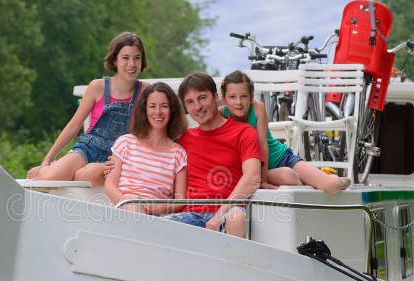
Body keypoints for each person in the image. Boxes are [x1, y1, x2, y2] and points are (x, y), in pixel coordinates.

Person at [26, 31, 149, 185]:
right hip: (88, 147)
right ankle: (48, 169)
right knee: (49, 178)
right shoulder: (97, 86)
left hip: (115, 157)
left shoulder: (146, 92)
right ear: (115, 60)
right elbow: (74, 125)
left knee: (85, 178)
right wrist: (48, 158)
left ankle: (75, 170)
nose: (131, 64)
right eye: (125, 58)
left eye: (137, 58)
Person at [220, 70, 351, 193]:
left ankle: (333, 180)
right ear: (224, 99)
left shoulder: (257, 108)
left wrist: (264, 180)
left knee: (331, 187)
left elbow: (262, 145)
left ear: (251, 97)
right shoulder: (222, 114)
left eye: (243, 96)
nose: (238, 102)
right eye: (232, 97)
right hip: (259, 170)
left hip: (282, 158)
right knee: (289, 178)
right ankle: (313, 182)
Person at [170, 72, 263, 238]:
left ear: (216, 97)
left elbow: (253, 178)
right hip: (191, 215)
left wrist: (219, 215)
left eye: (202, 98)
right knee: (159, 230)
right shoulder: (184, 139)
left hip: (229, 212)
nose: (197, 106)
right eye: (190, 102)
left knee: (235, 217)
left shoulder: (244, 132)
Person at [105, 82, 188, 214]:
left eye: (164, 106)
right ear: (144, 110)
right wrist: (128, 203)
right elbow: (109, 186)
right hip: (122, 211)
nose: (158, 112)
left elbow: (179, 200)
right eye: (152, 106)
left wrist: (154, 209)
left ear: (172, 111)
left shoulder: (178, 154)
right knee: (133, 208)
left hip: (155, 218)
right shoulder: (125, 142)